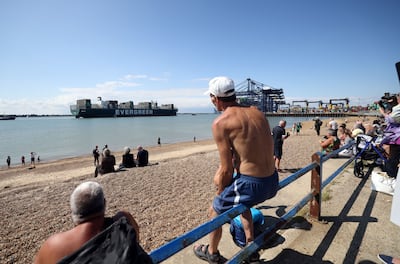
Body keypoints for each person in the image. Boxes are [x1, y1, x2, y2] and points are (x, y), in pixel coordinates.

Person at [193, 76, 278, 263]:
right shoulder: (257, 112)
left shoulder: (220, 123)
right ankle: (250, 245)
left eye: (211, 98)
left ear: (215, 98)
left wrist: (220, 190)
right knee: (241, 202)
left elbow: (226, 169)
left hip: (254, 184)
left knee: (214, 210)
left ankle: (212, 253)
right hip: (273, 180)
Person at [33, 181, 145, 264]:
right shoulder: (123, 223)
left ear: (73, 211)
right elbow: (136, 241)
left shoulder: (52, 246)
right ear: (104, 204)